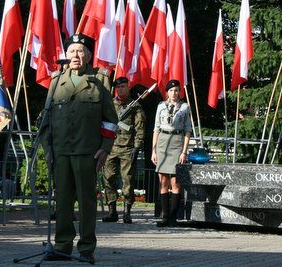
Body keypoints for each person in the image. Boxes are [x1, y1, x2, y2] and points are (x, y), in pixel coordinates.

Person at [40, 34, 119, 264]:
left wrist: (105, 148)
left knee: (86, 202)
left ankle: (86, 248)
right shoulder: (56, 81)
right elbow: (46, 121)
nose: (76, 55)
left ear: (89, 55)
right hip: (61, 152)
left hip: (87, 152)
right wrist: (48, 150)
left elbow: (110, 120)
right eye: (72, 51)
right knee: (62, 201)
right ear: (66, 54)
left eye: (80, 51)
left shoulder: (100, 81)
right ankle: (62, 246)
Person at [102, 77, 145, 224]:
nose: (120, 89)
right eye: (118, 87)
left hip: (127, 148)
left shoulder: (135, 106)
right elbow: (103, 123)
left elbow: (139, 128)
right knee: (108, 178)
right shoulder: (110, 104)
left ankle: (127, 212)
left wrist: (137, 146)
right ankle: (112, 211)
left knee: (128, 179)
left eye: (123, 87)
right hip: (110, 147)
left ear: (128, 88)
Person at [151, 79, 192, 227]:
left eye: (176, 90)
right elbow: (156, 128)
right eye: (171, 90)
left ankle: (173, 218)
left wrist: (184, 152)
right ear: (167, 92)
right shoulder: (161, 106)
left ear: (179, 92)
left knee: (176, 182)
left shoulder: (185, 107)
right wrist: (153, 150)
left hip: (177, 142)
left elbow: (188, 130)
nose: (174, 93)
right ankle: (164, 217)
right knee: (163, 181)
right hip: (163, 142)